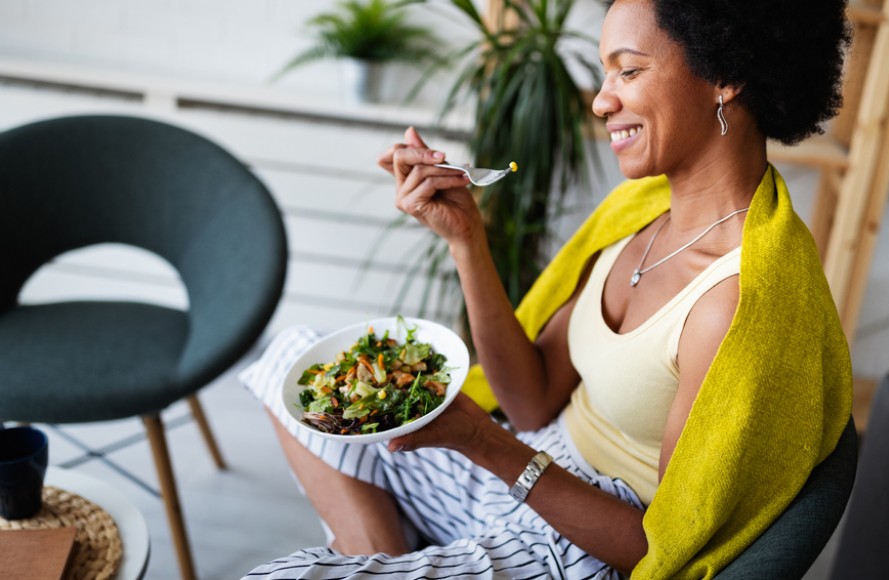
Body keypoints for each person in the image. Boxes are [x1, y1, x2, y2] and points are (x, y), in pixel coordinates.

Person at [241, 0, 853, 577]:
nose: (601, 102)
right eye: (603, 73)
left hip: (579, 542)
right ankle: (382, 555)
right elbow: (532, 399)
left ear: (726, 75)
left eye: (629, 71)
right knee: (291, 355)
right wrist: (465, 239)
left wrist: (483, 441)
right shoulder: (638, 211)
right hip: (530, 456)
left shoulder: (737, 303)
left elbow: (656, 551)